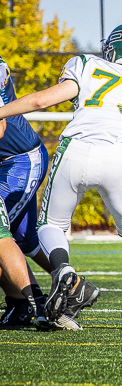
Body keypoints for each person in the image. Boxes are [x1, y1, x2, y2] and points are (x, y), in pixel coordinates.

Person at [0, 22, 122, 332]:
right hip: (121, 157)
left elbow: (41, 101)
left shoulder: (88, 65)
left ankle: (63, 269)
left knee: (50, 226)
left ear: (116, 48)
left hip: (76, 148)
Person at [0, 56, 47, 329]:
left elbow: (1, 126)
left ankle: (32, 302)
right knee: (23, 239)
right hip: (9, 159)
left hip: (19, 160)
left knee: (4, 236)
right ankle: (71, 283)